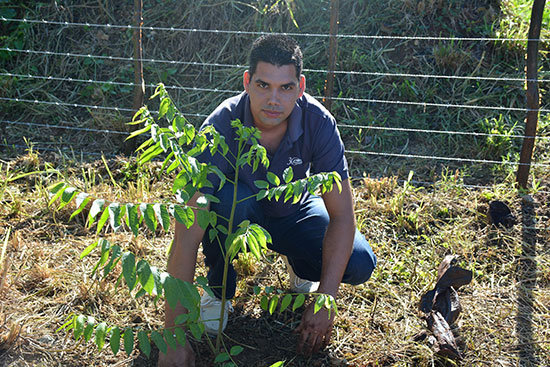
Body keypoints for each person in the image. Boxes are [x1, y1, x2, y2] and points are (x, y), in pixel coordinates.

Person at [158, 34, 376, 367]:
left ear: (300, 86)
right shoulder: (219, 127)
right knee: (233, 200)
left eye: (285, 88)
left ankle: (301, 266)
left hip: (294, 211)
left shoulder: (319, 122)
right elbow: (186, 233)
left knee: (360, 261)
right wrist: (172, 338)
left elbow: (343, 215)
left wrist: (326, 299)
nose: (273, 99)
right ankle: (219, 288)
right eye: (263, 85)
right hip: (240, 216)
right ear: (246, 82)